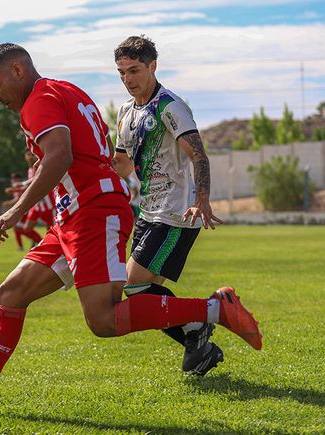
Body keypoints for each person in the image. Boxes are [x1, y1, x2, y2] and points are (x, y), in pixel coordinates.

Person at [0, 43, 262, 417]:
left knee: (104, 319)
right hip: (75, 215)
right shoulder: (64, 89)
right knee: (12, 293)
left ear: (17, 70)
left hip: (94, 214)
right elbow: (98, 153)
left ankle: (214, 310)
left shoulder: (38, 101)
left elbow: (60, 155)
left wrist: (17, 210)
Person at [112, 35, 231, 376]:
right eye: (121, 72)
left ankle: (202, 320)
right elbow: (121, 165)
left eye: (134, 70)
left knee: (134, 288)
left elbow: (198, 153)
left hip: (177, 213)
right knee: (146, 295)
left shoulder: (170, 105)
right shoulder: (124, 112)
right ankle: (198, 340)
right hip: (148, 212)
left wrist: (202, 199)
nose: (127, 79)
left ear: (152, 66)